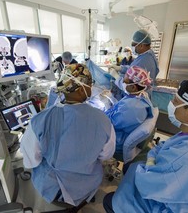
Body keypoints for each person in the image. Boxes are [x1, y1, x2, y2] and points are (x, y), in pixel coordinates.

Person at [103, 80, 188, 213]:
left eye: (175, 101)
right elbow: (167, 146)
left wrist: (149, 165)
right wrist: (151, 159)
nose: (171, 104)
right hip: (184, 194)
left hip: (169, 207)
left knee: (111, 199)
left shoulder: (187, 155)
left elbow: (147, 186)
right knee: (132, 167)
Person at [20, 63, 116, 207]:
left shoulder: (40, 120)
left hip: (54, 187)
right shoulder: (103, 121)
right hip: (87, 184)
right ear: (79, 90)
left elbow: (30, 160)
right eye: (90, 84)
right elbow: (106, 155)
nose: (92, 87)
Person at [105, 66, 154, 155]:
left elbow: (108, 122)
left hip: (116, 140)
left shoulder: (131, 107)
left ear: (134, 87)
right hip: (121, 128)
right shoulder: (141, 96)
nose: (122, 82)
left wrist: (103, 110)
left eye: (125, 82)